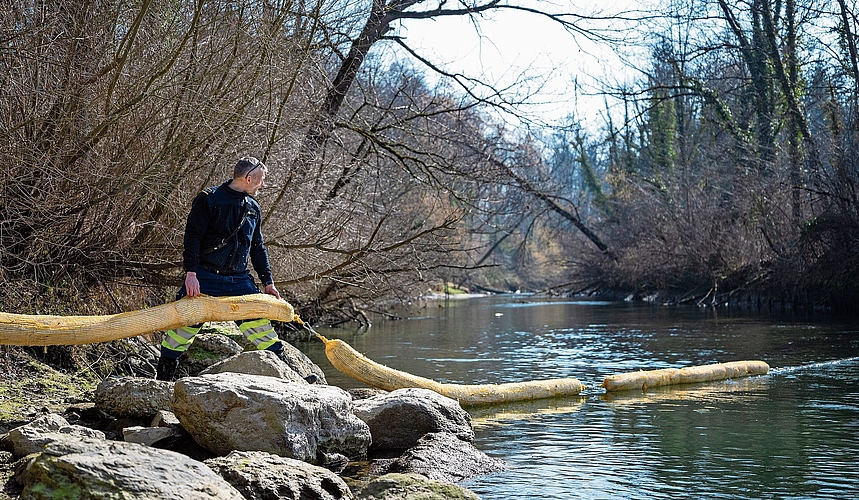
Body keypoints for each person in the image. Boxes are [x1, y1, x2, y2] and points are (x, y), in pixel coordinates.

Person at [155, 157, 314, 382]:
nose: (263, 184)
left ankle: (295, 380)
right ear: (249, 179)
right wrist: (191, 274)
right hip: (204, 276)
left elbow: (257, 247)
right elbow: (192, 238)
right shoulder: (208, 199)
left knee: (262, 330)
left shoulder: (253, 208)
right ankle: (162, 382)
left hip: (238, 281)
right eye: (261, 179)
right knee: (182, 331)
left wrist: (268, 282)